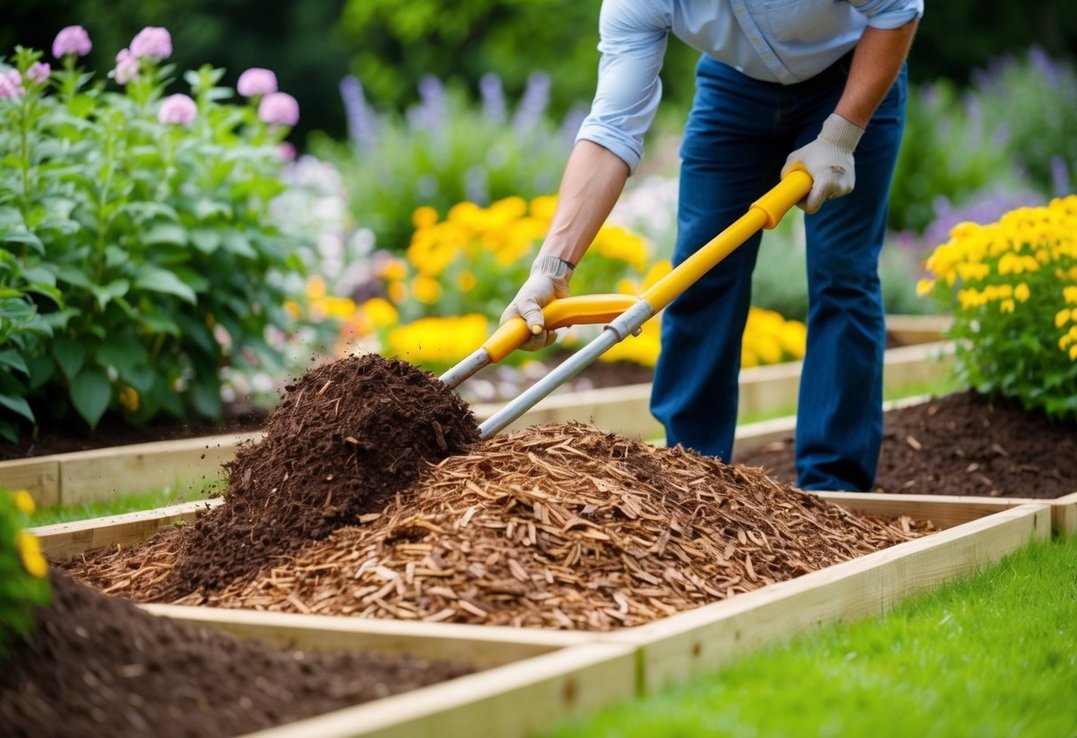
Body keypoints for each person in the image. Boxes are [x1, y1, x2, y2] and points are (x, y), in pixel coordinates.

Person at [500, 0, 922, 492]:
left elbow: (898, 8)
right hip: (735, 88)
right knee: (699, 274)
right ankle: (692, 475)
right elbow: (612, 129)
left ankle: (834, 486)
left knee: (842, 274)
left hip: (850, 72)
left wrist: (841, 134)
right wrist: (552, 268)